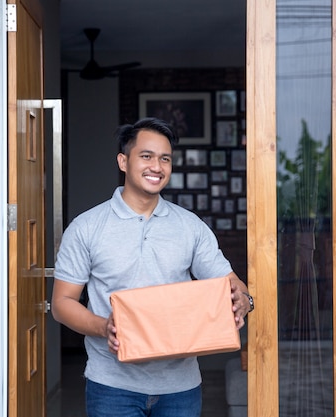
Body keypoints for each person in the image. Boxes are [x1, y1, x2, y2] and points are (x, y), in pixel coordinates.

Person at [51, 117, 253, 417]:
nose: (156, 167)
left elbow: (231, 283)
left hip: (180, 387)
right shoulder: (86, 228)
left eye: (165, 159)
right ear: (123, 161)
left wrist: (243, 301)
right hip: (111, 386)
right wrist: (103, 326)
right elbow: (62, 303)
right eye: (146, 156)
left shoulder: (190, 227)